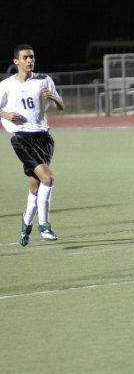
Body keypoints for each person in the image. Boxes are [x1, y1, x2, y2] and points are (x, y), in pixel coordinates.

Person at [0, 44, 64, 245]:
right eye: (26, 57)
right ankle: (44, 224)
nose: (30, 61)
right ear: (16, 61)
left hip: (43, 138)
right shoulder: (6, 85)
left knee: (35, 186)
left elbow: (61, 106)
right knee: (48, 178)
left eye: (32, 57)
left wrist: (53, 97)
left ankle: (26, 222)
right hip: (21, 138)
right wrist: (7, 114)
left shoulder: (44, 80)